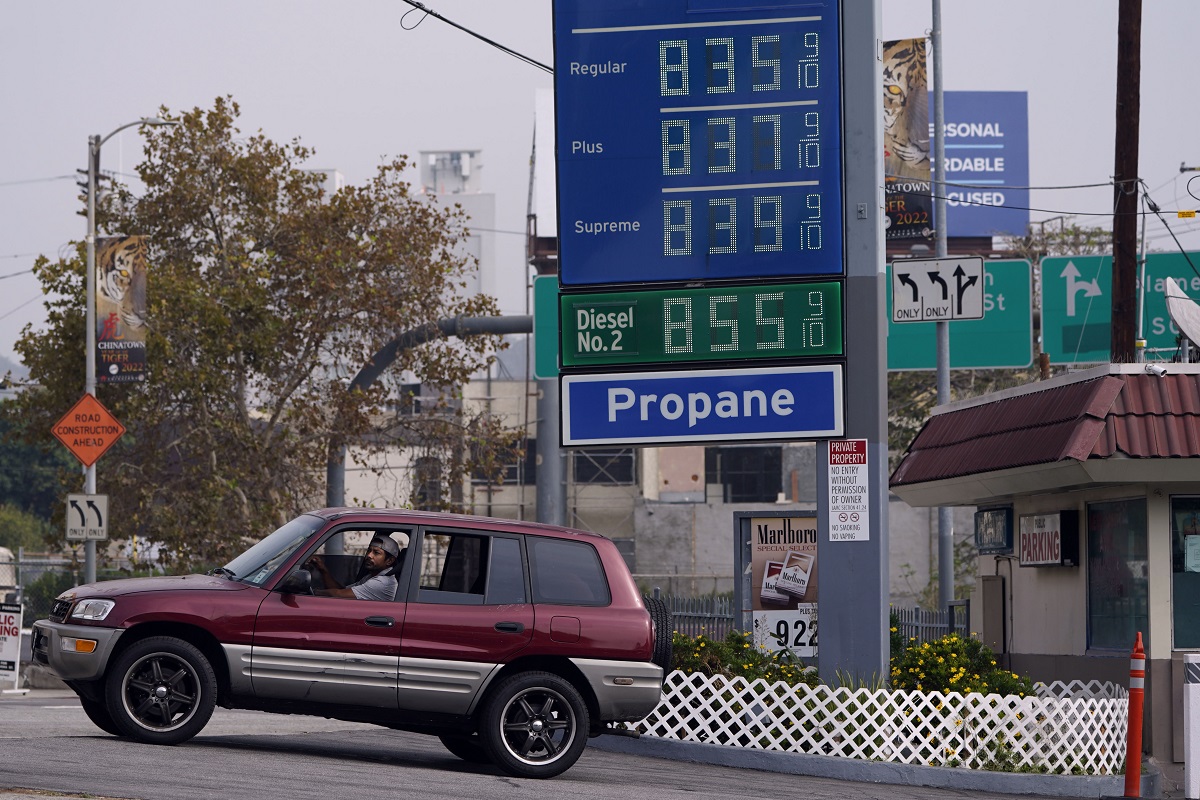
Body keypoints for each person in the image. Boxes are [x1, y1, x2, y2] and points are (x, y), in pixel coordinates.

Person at [308, 534, 402, 600]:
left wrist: (313, 592)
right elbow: (342, 591)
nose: (369, 555)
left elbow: (339, 594)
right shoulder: (372, 577)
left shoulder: (382, 582)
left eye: (376, 553)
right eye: (369, 550)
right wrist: (323, 570)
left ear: (390, 561)